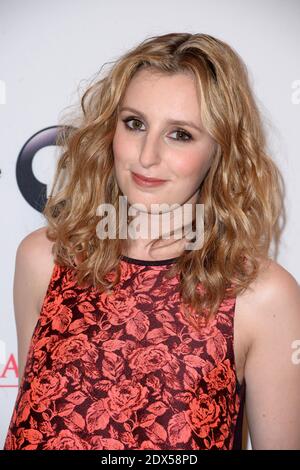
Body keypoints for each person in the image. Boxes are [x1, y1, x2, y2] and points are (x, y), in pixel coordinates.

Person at [4, 32, 300, 450]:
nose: (146, 156)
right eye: (135, 123)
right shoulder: (44, 260)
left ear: (220, 151)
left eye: (180, 134)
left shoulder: (262, 296)